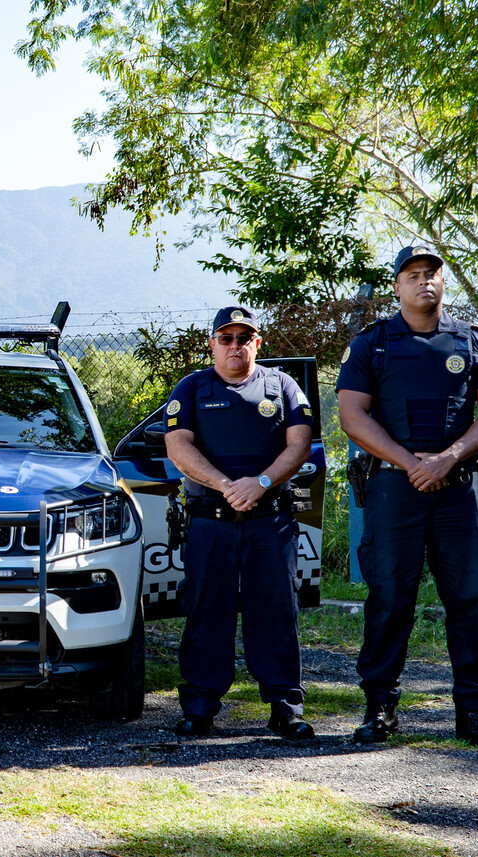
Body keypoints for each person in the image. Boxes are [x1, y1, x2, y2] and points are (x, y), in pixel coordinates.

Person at [337, 244, 478, 747]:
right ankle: (380, 710)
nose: (424, 282)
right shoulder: (371, 344)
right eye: (412, 275)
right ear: (397, 285)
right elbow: (353, 417)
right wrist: (412, 462)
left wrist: (447, 458)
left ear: (443, 281)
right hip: (395, 488)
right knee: (391, 599)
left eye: (432, 273)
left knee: (467, 598)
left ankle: (474, 714)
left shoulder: (475, 343)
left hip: (457, 489)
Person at [164, 305, 315, 740]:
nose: (235, 345)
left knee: (276, 611)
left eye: (243, 338)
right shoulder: (192, 388)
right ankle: (199, 708)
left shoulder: (282, 386)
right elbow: (178, 447)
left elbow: (300, 444)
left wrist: (262, 483)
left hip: (270, 520)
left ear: (257, 343)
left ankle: (285, 707)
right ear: (212, 343)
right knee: (206, 610)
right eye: (225, 338)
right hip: (211, 521)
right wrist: (228, 485)